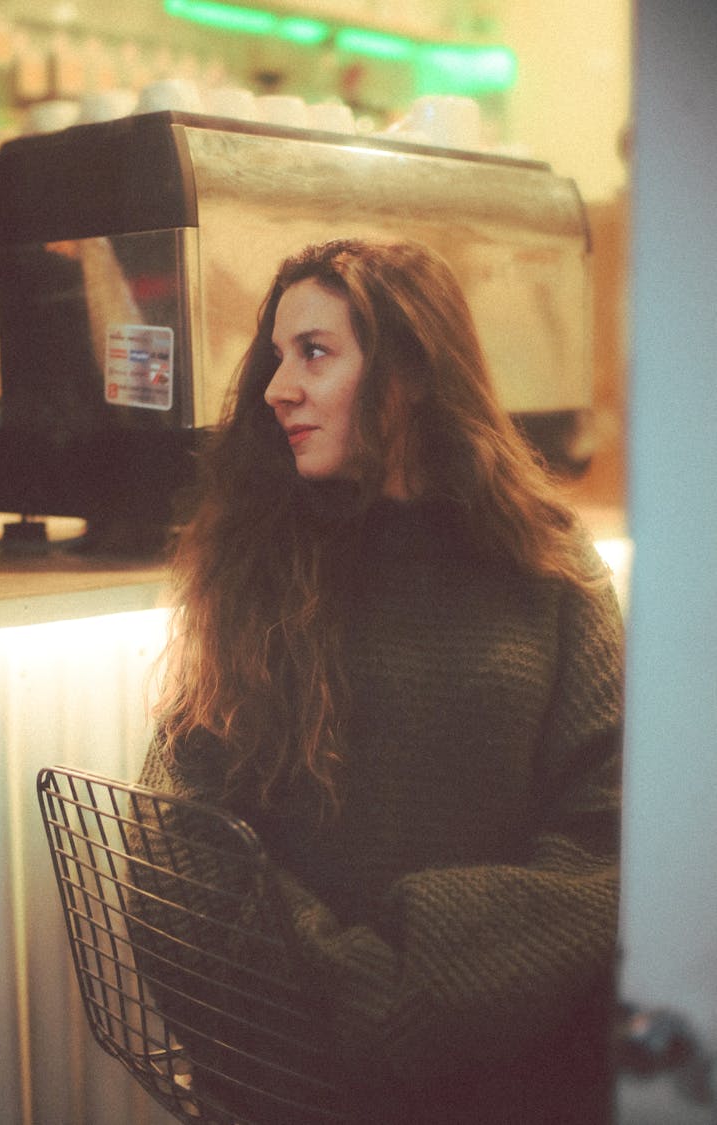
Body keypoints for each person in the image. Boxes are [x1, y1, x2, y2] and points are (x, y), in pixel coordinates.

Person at [136, 238, 624, 1124]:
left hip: (513, 1068)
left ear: (411, 370)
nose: (278, 386)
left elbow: (615, 840)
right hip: (299, 1080)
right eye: (277, 356)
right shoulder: (258, 567)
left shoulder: (548, 562)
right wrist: (362, 996)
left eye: (314, 352)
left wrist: (427, 985)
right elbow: (178, 848)